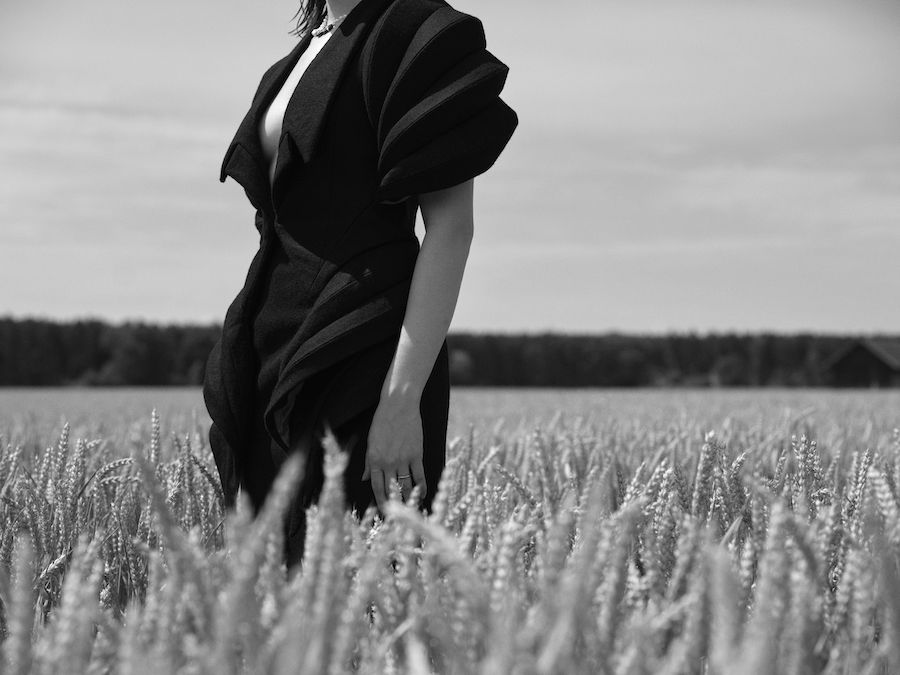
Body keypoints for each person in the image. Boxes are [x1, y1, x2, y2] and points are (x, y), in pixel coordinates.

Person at [202, 0, 518, 568]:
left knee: (362, 592)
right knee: (272, 597)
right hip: (264, 352)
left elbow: (450, 228)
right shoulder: (298, 55)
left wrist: (401, 402)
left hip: (362, 347)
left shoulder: (418, 33)